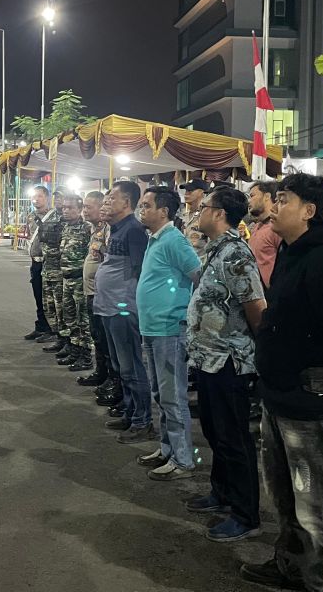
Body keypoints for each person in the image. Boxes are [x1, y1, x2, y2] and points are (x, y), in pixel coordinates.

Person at [239, 173, 323, 592]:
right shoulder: (292, 252)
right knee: (283, 494)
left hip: (310, 394)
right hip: (279, 391)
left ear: (310, 211)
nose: (274, 206)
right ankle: (291, 565)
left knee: (316, 503)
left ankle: (322, 582)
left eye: (283, 199)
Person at [186, 186, 266, 542]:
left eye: (204, 207)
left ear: (219, 214)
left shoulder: (236, 254)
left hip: (230, 360)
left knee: (234, 438)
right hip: (208, 356)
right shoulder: (215, 248)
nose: (198, 212)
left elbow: (256, 307)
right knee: (215, 432)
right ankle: (221, 492)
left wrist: (259, 357)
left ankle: (245, 512)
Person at [135, 186, 201, 480]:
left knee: (173, 397)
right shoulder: (156, 238)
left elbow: (198, 275)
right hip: (152, 328)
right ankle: (167, 449)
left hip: (169, 330)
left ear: (164, 211)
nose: (142, 210)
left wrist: (184, 310)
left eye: (147, 205)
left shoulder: (175, 240)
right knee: (160, 395)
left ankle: (184, 460)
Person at [93, 181, 154, 443]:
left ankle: (142, 421)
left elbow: (142, 271)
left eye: (112, 197)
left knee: (131, 366)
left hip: (122, 308)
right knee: (120, 366)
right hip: (108, 307)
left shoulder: (134, 230)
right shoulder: (116, 229)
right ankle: (130, 414)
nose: (107, 201)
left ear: (126, 202)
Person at [78, 191, 112, 386]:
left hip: (101, 293)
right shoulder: (94, 230)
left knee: (103, 337)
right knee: (96, 336)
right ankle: (101, 372)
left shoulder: (108, 230)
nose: (84, 211)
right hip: (91, 291)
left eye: (88, 207)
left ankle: (109, 377)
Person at [56, 195, 93, 369]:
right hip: (66, 280)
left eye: (70, 207)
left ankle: (86, 356)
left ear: (79, 210)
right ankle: (74, 350)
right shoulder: (65, 228)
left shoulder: (86, 229)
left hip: (79, 281)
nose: (66, 210)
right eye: (64, 207)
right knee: (69, 317)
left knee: (82, 320)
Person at [23, 186, 56, 341]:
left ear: (47, 197)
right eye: (34, 196)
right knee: (38, 296)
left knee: (48, 298)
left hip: (48, 262)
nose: (36, 199)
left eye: (40, 196)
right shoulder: (31, 216)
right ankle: (41, 326)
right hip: (35, 263)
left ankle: (51, 330)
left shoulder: (54, 216)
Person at [38, 190, 67, 354]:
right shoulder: (51, 217)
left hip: (60, 273)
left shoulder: (71, 222)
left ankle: (66, 340)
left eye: (61, 197)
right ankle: (58, 336)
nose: (58, 200)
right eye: (56, 197)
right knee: (50, 307)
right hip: (47, 269)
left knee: (62, 309)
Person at [246, 180, 281, 289]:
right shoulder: (256, 227)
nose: (249, 201)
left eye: (252, 196)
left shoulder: (278, 228)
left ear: (266, 196)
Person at [180, 178, 210, 260]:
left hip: (200, 262)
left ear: (201, 192)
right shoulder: (183, 216)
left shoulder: (207, 215)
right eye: (186, 191)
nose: (186, 194)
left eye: (190, 190)